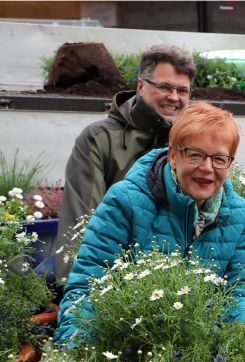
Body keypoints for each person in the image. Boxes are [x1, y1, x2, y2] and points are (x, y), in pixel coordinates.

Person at [54, 102, 245, 343]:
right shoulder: (125, 201)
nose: (207, 168)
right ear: (173, 155)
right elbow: (87, 287)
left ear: (230, 164)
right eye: (195, 155)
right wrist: (76, 351)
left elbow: (237, 293)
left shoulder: (240, 213)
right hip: (131, 336)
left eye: (219, 159)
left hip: (200, 338)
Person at [54, 44, 196, 289]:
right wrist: (74, 290)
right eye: (164, 87)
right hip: (111, 272)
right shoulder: (99, 138)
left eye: (182, 90)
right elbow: (81, 221)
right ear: (141, 86)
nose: (174, 97)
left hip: (178, 280)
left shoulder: (195, 141)